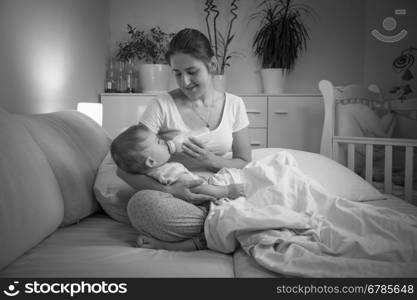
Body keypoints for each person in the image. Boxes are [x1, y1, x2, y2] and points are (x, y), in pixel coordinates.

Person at [117, 28, 251, 251]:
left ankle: (219, 227)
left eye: (192, 71)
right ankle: (229, 225)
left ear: (212, 64)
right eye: (177, 73)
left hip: (223, 190)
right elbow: (125, 169)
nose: (185, 81)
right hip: (180, 198)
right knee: (139, 206)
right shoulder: (161, 105)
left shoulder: (235, 104)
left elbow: (244, 160)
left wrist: (211, 160)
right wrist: (170, 192)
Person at [110, 123, 246, 201]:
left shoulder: (159, 171)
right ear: (151, 161)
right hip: (209, 195)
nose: (164, 141)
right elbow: (194, 188)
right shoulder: (168, 171)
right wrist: (226, 191)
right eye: (158, 142)